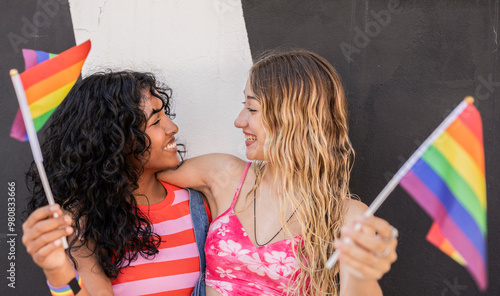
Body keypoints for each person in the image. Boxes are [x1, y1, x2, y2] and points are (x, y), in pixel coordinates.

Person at [157, 50, 398, 295]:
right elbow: (139, 172)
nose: (239, 121)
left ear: (291, 117)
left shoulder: (346, 216)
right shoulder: (223, 173)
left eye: (252, 109)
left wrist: (363, 275)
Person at [22, 71, 210, 296]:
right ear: (117, 140)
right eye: (156, 121)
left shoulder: (201, 204)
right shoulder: (85, 221)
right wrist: (57, 271)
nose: (173, 127)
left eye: (166, 115)